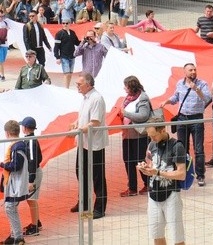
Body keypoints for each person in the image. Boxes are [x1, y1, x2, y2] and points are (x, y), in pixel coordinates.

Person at [160, 63, 211, 186]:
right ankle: (184, 174)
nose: (193, 72)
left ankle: (200, 175)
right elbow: (176, 97)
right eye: (190, 70)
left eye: (194, 70)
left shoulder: (202, 84)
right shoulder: (180, 83)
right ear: (185, 72)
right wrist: (167, 101)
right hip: (182, 119)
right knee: (182, 149)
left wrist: (196, 89)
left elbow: (207, 99)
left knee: (198, 149)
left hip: (196, 119)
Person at [138, 118, 187, 245]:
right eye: (149, 136)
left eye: (153, 136)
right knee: (157, 235)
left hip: (171, 195)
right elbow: (149, 164)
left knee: (177, 237)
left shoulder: (177, 146)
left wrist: (158, 173)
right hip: (153, 194)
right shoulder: (151, 145)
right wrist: (144, 167)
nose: (151, 139)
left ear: (163, 130)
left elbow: (181, 174)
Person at [70, 73, 109, 219]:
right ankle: (84, 202)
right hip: (84, 143)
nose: (77, 87)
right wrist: (76, 122)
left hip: (95, 144)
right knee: (81, 172)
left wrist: (77, 130)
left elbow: (95, 122)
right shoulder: (86, 98)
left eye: (79, 84)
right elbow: (83, 116)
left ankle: (100, 207)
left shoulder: (97, 99)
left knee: (97, 177)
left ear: (88, 84)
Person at [0, 120, 29, 245]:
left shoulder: (17, 147)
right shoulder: (20, 145)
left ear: (7, 133)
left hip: (15, 183)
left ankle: (18, 237)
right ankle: (14, 235)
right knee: (11, 208)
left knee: (10, 208)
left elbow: (16, 166)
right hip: (14, 183)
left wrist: (2, 165)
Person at [118, 76, 152, 197]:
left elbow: (143, 116)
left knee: (140, 161)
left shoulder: (143, 98)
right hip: (127, 135)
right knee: (128, 161)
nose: (124, 88)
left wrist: (125, 113)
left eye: (126, 86)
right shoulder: (128, 98)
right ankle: (132, 188)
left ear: (131, 86)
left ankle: (148, 184)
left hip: (139, 135)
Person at [20, 117, 43, 238]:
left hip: (33, 174)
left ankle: (35, 226)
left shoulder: (30, 141)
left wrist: (31, 180)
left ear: (25, 128)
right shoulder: (31, 139)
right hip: (34, 172)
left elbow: (33, 161)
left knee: (31, 199)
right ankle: (36, 222)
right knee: (31, 199)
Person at [53, 18, 80, 88]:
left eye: (67, 23)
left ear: (70, 24)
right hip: (64, 57)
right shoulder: (59, 34)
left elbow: (77, 43)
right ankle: (66, 88)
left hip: (72, 56)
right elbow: (56, 47)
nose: (65, 24)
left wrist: (84, 41)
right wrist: (57, 57)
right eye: (63, 23)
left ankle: (67, 87)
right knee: (67, 74)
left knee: (70, 74)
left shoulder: (73, 33)